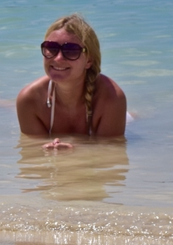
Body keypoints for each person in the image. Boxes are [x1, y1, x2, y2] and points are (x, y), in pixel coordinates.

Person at [16, 14, 127, 147]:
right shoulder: (29, 99)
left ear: (89, 60)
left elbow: (111, 155)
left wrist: (75, 153)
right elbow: (30, 154)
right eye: (51, 48)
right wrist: (45, 152)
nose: (58, 58)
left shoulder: (111, 98)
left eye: (71, 51)